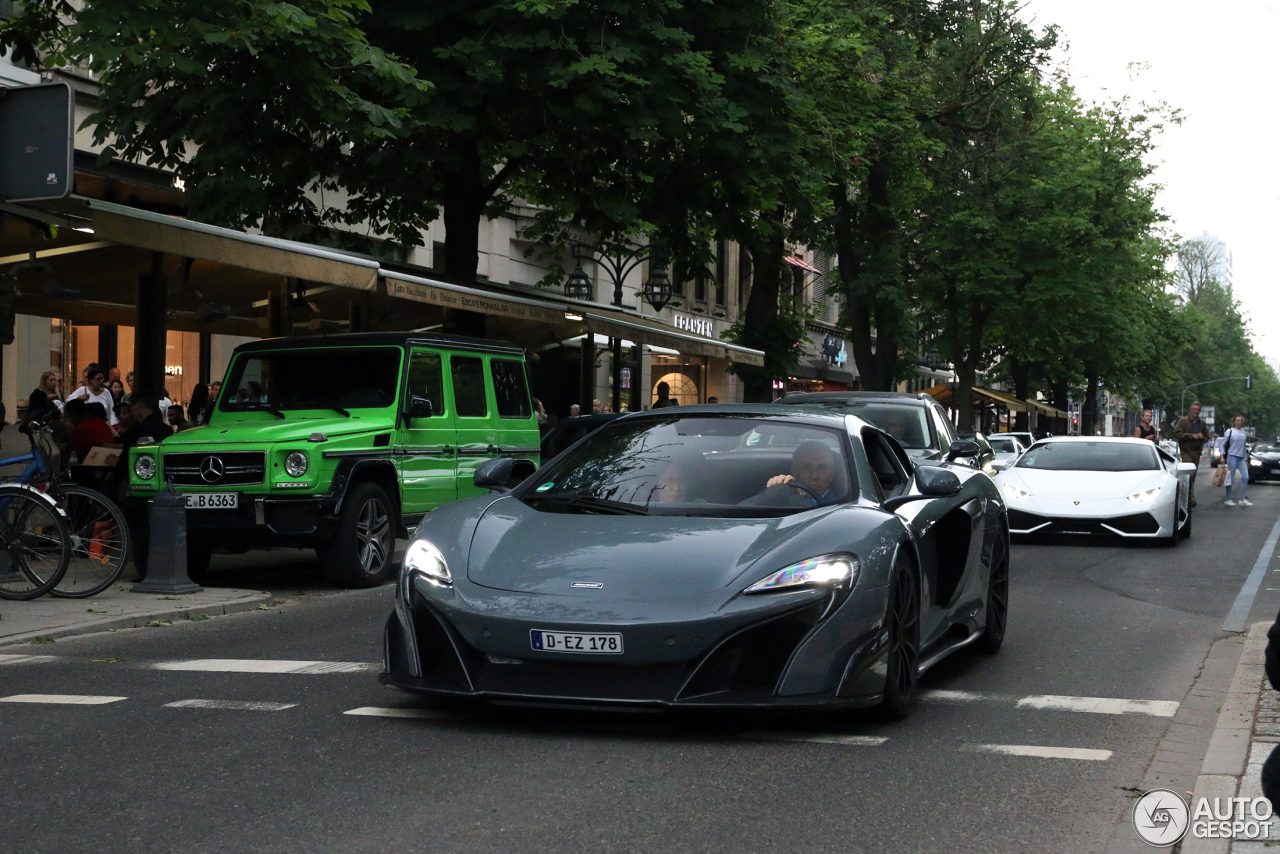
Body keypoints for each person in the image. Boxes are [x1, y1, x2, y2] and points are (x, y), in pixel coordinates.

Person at [743, 440, 840, 507]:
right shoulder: (784, 492)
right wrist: (776, 490)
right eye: (807, 467)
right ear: (794, 471)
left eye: (822, 468)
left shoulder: (842, 500)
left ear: (831, 474)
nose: (814, 476)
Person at [1175, 402, 1208, 507]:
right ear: (1190, 410)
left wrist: (1202, 437)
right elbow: (1177, 433)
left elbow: (1207, 436)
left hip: (1196, 451)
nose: (1196, 411)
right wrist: (1191, 436)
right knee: (1188, 474)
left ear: (1200, 411)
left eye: (1198, 410)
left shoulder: (1201, 423)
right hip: (1186, 451)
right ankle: (1189, 497)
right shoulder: (1183, 421)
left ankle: (1187, 495)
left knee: (1193, 475)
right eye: (1194, 409)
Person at [64, 399, 115, 464]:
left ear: (72, 415)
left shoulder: (80, 429)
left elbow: (70, 456)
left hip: (90, 468)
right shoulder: (102, 424)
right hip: (109, 467)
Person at [1221, 415, 1252, 507]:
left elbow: (1243, 447)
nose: (1239, 422)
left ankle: (1242, 498)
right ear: (1234, 422)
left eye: (1241, 420)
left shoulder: (1243, 433)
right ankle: (1227, 498)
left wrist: (1246, 459)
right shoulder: (1229, 431)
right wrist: (1222, 456)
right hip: (1232, 456)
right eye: (1238, 420)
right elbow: (1223, 444)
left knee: (1245, 477)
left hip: (1241, 457)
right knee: (1231, 478)